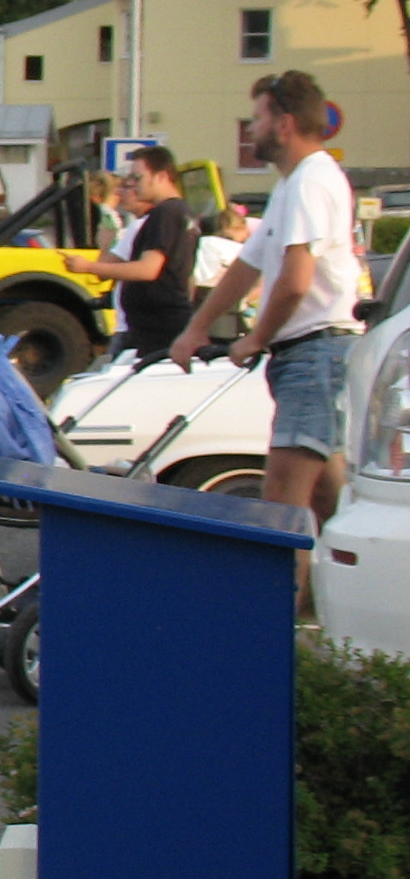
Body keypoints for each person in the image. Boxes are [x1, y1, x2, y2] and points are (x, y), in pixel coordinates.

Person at [171, 72, 362, 578]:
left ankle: (281, 630)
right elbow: (247, 267)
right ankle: (353, 599)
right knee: (328, 495)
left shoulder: (312, 181)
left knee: (283, 503)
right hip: (310, 353)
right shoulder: (291, 185)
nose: (251, 129)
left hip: (316, 351)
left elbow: (297, 280)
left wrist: (255, 337)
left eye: (257, 118)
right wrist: (197, 328)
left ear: (285, 122)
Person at [69, 146, 197, 359]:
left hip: (159, 327)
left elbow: (148, 269)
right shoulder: (180, 212)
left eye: (138, 178)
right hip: (159, 323)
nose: (133, 185)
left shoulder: (166, 213)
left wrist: (87, 266)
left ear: (162, 176)